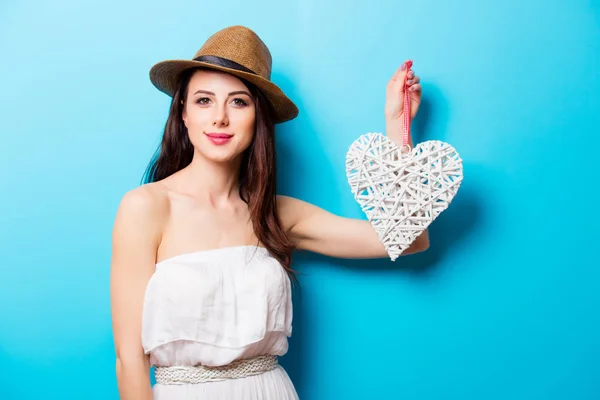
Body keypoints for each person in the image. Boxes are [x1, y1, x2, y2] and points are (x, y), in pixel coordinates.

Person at [109, 25, 428, 399]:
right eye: (204, 100)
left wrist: (397, 124)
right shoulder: (146, 207)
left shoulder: (275, 214)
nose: (220, 118)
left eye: (238, 102)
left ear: (258, 117)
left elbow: (409, 238)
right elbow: (129, 358)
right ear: (182, 113)